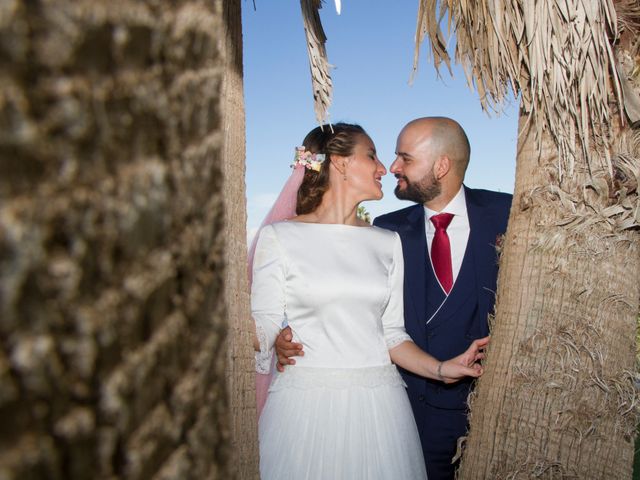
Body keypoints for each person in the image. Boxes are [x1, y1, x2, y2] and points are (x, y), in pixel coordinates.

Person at [276, 117, 512, 480]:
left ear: (441, 165)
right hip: (405, 419)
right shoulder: (386, 230)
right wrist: (281, 337)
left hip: (496, 413)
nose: (393, 167)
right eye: (384, 157)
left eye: (405, 158)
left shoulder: (507, 215)